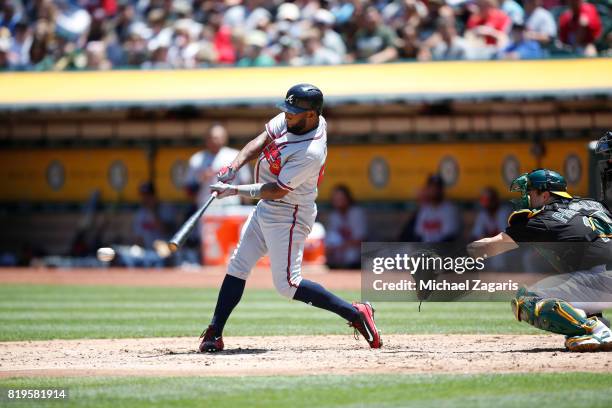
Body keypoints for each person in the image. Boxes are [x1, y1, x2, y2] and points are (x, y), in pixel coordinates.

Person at [200, 83, 382, 352]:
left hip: (289, 213)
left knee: (287, 285)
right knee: (238, 265)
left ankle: (355, 313)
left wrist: (234, 190)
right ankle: (215, 331)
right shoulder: (295, 121)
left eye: (294, 111)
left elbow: (275, 191)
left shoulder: (310, 151)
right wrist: (233, 166)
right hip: (267, 207)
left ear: (311, 115)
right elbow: (261, 140)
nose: (287, 114)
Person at [468, 169, 612, 352]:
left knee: (526, 300)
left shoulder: (544, 217)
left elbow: (490, 247)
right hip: (601, 277)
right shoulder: (593, 204)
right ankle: (597, 322)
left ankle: (596, 330)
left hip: (603, 279)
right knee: (576, 278)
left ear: (545, 195)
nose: (526, 198)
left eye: (529, 192)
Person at [185, 123, 251, 208]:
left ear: (225, 138)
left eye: (217, 138)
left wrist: (246, 206)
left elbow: (245, 183)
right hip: (206, 207)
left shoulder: (235, 156)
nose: (214, 141)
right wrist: (200, 179)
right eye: (211, 138)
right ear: (206, 139)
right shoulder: (197, 159)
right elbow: (189, 191)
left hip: (231, 207)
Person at [325, 185, 367, 269]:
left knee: (350, 255)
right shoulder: (334, 215)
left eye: (341, 198)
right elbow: (331, 239)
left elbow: (361, 239)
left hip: (357, 249)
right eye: (336, 198)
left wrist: (341, 247)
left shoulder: (356, 213)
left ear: (348, 198)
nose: (338, 201)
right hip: (340, 248)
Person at [413, 174, 461, 243]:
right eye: (432, 187)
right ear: (428, 189)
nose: (434, 190)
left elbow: (449, 238)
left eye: (437, 188)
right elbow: (418, 234)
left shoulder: (450, 210)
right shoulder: (424, 209)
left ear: (442, 190)